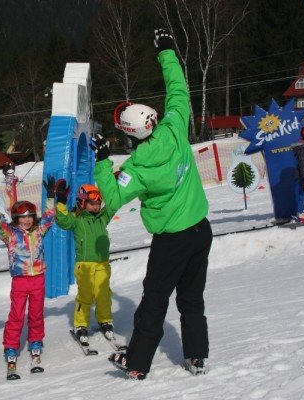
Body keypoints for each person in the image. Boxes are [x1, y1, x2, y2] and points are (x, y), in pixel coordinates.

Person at [91, 29, 212, 380]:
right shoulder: (175, 126)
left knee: (154, 301)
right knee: (191, 298)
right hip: (201, 230)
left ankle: (138, 363)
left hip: (172, 240)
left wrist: (101, 161)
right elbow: (179, 90)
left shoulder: (138, 169)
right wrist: (167, 51)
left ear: (131, 134)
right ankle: (197, 356)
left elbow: (110, 199)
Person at [0, 181, 56, 374]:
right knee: (16, 315)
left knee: (36, 313)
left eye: (30, 217)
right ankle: (11, 346)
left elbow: (50, 217)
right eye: (22, 218)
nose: (26, 221)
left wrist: (51, 196)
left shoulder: (39, 230)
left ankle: (35, 341)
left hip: (38, 278)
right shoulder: (10, 234)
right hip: (20, 280)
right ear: (16, 219)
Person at [54, 181, 119, 344]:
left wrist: (113, 185)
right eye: (92, 203)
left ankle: (105, 320)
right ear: (82, 202)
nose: (96, 207)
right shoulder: (76, 220)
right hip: (84, 265)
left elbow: (113, 205)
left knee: (103, 294)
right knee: (86, 295)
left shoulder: (102, 218)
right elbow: (62, 221)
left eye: (98, 203)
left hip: (103, 263)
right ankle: (81, 324)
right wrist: (61, 202)